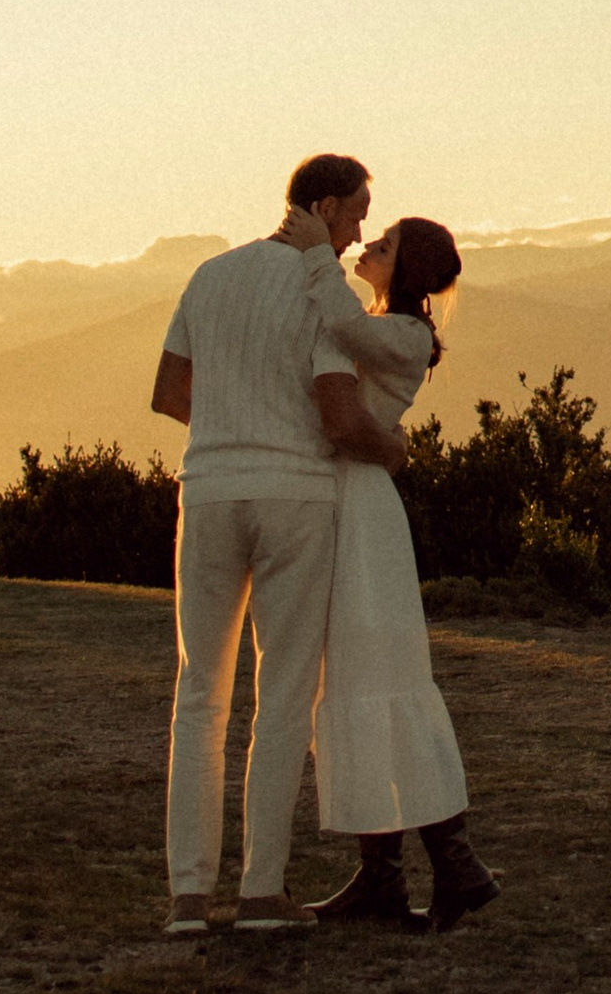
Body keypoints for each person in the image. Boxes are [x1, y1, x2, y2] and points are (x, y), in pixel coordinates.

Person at [151, 153, 404, 935]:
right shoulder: (320, 294)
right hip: (296, 497)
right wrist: (393, 452)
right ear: (324, 207)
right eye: (357, 212)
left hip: (212, 489)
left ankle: (189, 898)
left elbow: (169, 393)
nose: (361, 229)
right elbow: (337, 408)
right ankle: (261, 891)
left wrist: (233, 428)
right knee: (283, 693)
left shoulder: (210, 275)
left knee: (201, 695)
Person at [306, 213, 499, 934]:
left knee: (378, 678)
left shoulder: (405, 334)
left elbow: (344, 328)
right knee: (358, 680)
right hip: (350, 505)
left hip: (363, 516)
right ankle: (397, 872)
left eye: (381, 247)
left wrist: (311, 255)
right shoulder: (397, 329)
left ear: (407, 268)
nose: (364, 248)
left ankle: (451, 865)